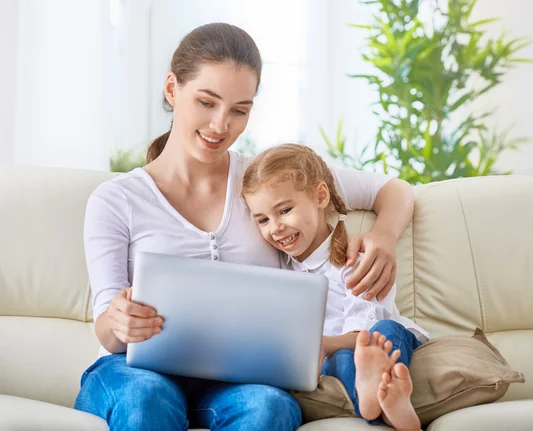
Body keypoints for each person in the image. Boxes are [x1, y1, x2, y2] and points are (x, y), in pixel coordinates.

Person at [74, 23, 416, 431]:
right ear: (172, 89)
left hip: (234, 379)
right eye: (206, 102)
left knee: (269, 406)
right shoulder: (116, 200)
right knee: (146, 397)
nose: (221, 126)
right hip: (130, 372)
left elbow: (393, 189)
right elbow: (107, 331)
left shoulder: (265, 182)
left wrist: (384, 236)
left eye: (239, 110)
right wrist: (118, 321)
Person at [242, 144, 429, 430]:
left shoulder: (356, 260)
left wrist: (324, 345)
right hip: (337, 358)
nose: (275, 227)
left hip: (377, 338)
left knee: (384, 334)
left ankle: (380, 394)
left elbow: (366, 330)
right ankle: (377, 403)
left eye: (285, 210)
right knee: (343, 358)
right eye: (263, 220)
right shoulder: (282, 274)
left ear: (320, 196)